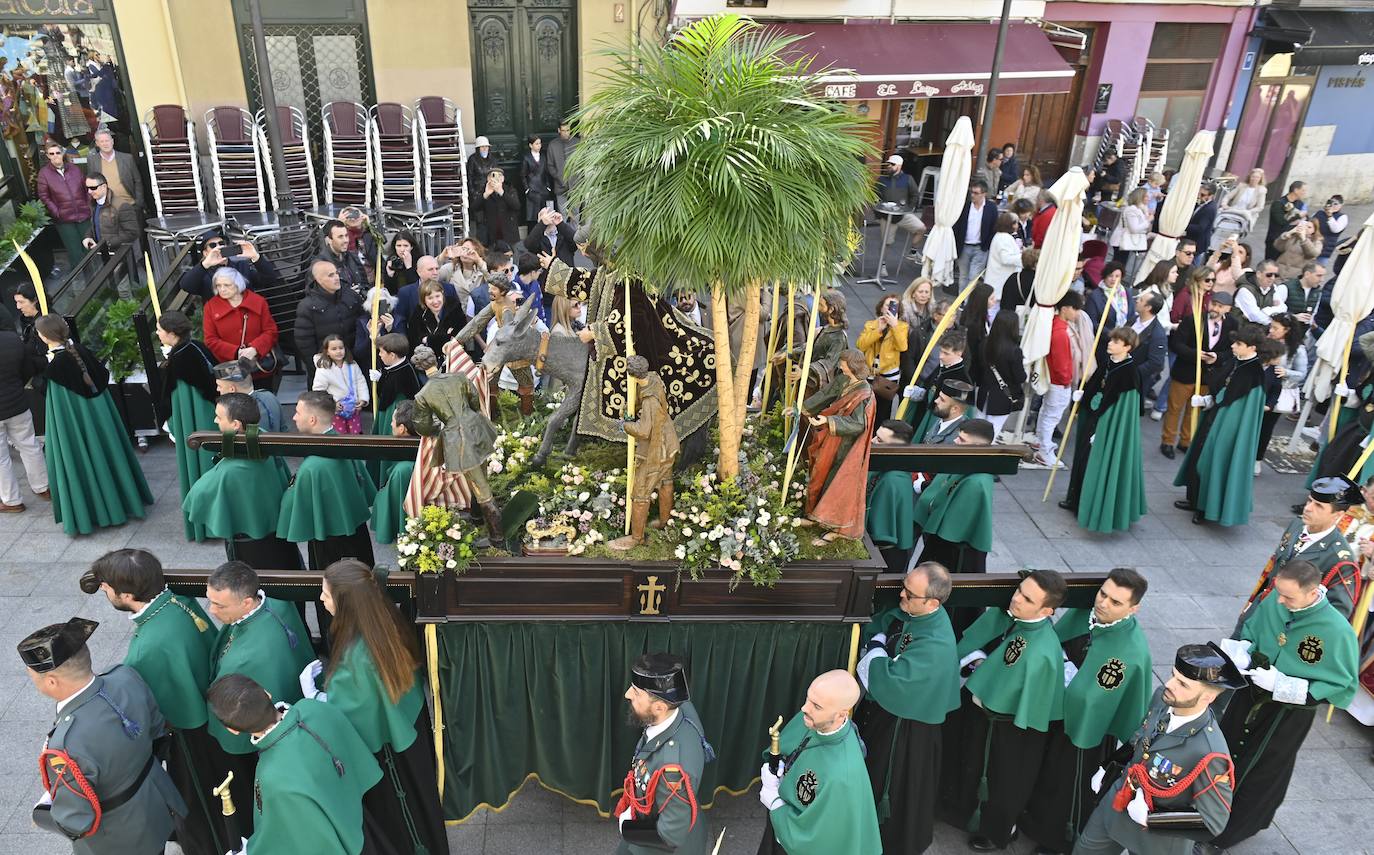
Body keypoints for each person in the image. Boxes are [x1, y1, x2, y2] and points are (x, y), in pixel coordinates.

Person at [299, 560, 449, 855]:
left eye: (326, 595)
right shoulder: (384, 618)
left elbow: (347, 717)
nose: (321, 599)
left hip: (386, 758)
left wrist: (313, 696)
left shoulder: (357, 659)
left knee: (401, 824)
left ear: (346, 603)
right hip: (408, 735)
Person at [82, 549, 225, 855]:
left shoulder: (148, 648)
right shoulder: (178, 601)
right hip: (208, 704)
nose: (104, 591)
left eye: (107, 588)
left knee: (194, 802)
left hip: (186, 736)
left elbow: (149, 706)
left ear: (128, 593)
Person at [1214, 558, 1359, 849]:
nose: (1280, 600)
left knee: (1260, 770)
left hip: (1287, 713)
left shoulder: (1337, 630)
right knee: (1223, 752)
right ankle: (1206, 811)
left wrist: (1283, 685)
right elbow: (1252, 632)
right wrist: (1244, 651)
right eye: (1279, 593)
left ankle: (1228, 833)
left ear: (1312, 592)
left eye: (1288, 596)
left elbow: (1340, 684)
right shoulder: (1277, 602)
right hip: (1251, 693)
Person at [20, 617, 187, 854]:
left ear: (51, 681)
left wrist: (42, 816)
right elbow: (157, 730)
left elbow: (76, 821)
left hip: (116, 840)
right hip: (154, 805)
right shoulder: (125, 676)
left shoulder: (66, 745)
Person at [1022, 570, 1153, 854]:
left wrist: (1068, 678)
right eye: (1103, 594)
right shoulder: (1085, 615)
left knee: (1068, 783)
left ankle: (1057, 838)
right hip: (1054, 710)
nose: (1103, 603)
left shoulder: (1130, 651)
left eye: (1116, 602)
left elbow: (1096, 700)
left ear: (1134, 609)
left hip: (1088, 729)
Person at [1072, 644, 1242, 855]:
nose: (1169, 684)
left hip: (1157, 840)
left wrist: (1152, 819)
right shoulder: (1164, 698)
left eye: (1183, 684)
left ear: (1208, 698)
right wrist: (1109, 765)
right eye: (1173, 675)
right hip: (1117, 806)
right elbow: (1141, 739)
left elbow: (1213, 821)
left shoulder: (1210, 752)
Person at [948, 570, 1067, 851]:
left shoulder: (1042, 651)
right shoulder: (1024, 624)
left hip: (1012, 729)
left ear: (1047, 610)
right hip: (992, 719)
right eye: (1019, 590)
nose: (1015, 599)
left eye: (1027, 598)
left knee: (1005, 782)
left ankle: (1000, 830)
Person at [207, 673, 382, 855]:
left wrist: (250, 851)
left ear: (232, 730)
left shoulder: (271, 776)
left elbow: (289, 838)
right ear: (267, 693)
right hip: (363, 821)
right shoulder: (311, 706)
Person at [855, 562, 959, 854]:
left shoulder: (936, 643)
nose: (901, 596)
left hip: (906, 730)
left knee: (892, 785)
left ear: (932, 602)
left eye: (909, 594)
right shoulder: (917, 613)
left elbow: (893, 682)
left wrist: (876, 648)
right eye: (904, 587)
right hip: (891, 717)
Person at [205, 561, 314, 833]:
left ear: (246, 602)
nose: (212, 611)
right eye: (210, 602)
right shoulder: (278, 603)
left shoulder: (243, 662)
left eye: (220, 606)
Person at [36, 314, 153, 535]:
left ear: (43, 337)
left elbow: (58, 406)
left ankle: (96, 510)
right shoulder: (81, 351)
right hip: (100, 421)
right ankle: (122, 501)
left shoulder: (56, 367)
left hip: (77, 425)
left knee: (82, 459)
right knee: (107, 455)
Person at [278, 392, 377, 638]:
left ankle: (337, 648)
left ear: (312, 419)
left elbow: (296, 509)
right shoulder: (341, 442)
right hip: (356, 534)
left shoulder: (314, 466)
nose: (293, 416)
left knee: (333, 602)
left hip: (328, 543)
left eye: (298, 412)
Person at [757, 670, 880, 855]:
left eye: (817, 706)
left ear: (841, 715)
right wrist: (780, 765)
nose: (805, 708)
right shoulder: (813, 719)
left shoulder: (841, 775)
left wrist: (774, 802)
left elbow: (814, 841)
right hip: (781, 820)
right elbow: (790, 746)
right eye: (808, 698)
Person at [183, 392, 299, 569]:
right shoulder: (264, 438)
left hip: (249, 547)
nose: (215, 421)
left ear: (236, 425)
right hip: (279, 535)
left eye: (219, 417)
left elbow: (195, 498)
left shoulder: (231, 470)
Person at [616, 653, 713, 855]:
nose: (627, 694)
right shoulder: (680, 707)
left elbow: (670, 835)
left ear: (659, 707)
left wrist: (627, 827)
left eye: (636, 692)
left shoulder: (673, 769)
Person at [1174, 322, 1267, 525]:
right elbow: (1223, 388)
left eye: (1239, 343)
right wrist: (1209, 400)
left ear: (1252, 347)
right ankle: (1194, 499)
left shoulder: (1254, 374)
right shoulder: (1236, 361)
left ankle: (1206, 508)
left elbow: (1242, 407)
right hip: (1214, 417)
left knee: (1211, 461)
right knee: (1198, 455)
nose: (1233, 346)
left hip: (1227, 426)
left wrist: (1221, 415)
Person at [1240, 477, 1362, 628]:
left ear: (1337, 516)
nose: (1308, 508)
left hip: (1286, 626)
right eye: (1309, 500)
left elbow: (1337, 614)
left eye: (1319, 506)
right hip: (1259, 610)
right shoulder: (1297, 524)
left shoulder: (1340, 558)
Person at [411, 346, 503, 542]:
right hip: (477, 427)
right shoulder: (459, 377)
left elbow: (423, 425)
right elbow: (474, 400)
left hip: (458, 439)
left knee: (480, 486)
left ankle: (497, 536)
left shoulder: (422, 395)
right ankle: (477, 517)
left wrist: (439, 428)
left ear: (420, 367)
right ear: (435, 360)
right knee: (481, 474)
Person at [1061, 327, 1147, 532]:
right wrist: (1083, 396)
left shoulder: (1130, 373)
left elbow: (1122, 409)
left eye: (1116, 342)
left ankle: (1092, 504)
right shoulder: (1108, 362)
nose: (1110, 343)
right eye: (1111, 340)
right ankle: (1076, 499)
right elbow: (1096, 385)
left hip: (1106, 424)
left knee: (1096, 462)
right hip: (1091, 418)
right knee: (1082, 459)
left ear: (1127, 347)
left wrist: (1103, 429)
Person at [799, 350, 875, 544]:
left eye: (843, 363)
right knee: (818, 473)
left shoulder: (864, 394)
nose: (840, 366)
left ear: (853, 366)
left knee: (837, 483)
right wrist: (803, 409)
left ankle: (836, 526)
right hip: (831, 439)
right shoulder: (843, 380)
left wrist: (829, 420)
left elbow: (858, 425)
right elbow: (826, 394)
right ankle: (813, 515)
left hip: (846, 446)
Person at [156, 310, 219, 540]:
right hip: (209, 415)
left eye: (160, 329)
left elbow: (177, 398)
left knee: (201, 466)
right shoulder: (196, 347)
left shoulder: (180, 359)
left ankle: (207, 525)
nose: (157, 332)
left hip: (195, 420)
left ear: (172, 333)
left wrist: (172, 423)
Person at [911, 417, 995, 581]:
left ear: (978, 447)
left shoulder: (976, 483)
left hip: (954, 551)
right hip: (941, 542)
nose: (955, 441)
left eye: (962, 440)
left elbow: (954, 528)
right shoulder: (967, 460)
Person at [609, 355, 680, 550]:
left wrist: (625, 425)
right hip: (669, 443)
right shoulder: (654, 378)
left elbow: (643, 430)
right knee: (666, 482)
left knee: (640, 491)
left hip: (655, 450)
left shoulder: (650, 401)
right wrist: (632, 408)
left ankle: (636, 538)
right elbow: (642, 399)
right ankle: (666, 522)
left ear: (631, 375)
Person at [1160, 288, 1235, 460]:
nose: (1215, 308)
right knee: (1174, 409)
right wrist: (1195, 354)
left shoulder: (1232, 325)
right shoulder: (1192, 320)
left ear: (1228, 309)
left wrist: (1216, 358)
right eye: (1214, 304)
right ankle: (1168, 441)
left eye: (1220, 306)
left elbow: (1230, 351)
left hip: (1208, 377)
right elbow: (1177, 344)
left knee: (1194, 410)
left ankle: (1186, 441)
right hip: (1185, 372)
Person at [202, 266, 280, 388]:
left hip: (259, 366)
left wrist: (255, 348)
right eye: (218, 285)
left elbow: (270, 331)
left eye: (227, 285)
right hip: (231, 369)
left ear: (238, 284)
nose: (222, 289)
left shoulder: (258, 302)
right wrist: (236, 352)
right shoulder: (211, 307)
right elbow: (210, 340)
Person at [296, 260, 367, 386]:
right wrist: (319, 367)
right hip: (326, 368)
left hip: (354, 364)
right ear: (318, 279)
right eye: (330, 275)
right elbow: (305, 343)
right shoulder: (307, 306)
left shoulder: (350, 295)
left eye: (336, 273)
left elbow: (363, 325)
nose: (336, 278)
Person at [0, 325, 47, 511]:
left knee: (1, 459)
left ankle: (11, 501)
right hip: (17, 403)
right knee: (30, 446)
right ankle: (43, 487)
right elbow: (27, 368)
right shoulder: (12, 339)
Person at [1032, 291, 1082, 468]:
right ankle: (1044, 450)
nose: (1077, 313)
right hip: (1059, 382)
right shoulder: (1061, 332)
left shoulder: (1055, 325)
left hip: (1053, 379)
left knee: (1047, 412)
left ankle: (1040, 442)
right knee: (1052, 416)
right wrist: (1067, 380)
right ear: (1066, 308)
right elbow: (1062, 365)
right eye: (1075, 309)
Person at [866, 419, 918, 573]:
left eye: (880, 440)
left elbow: (880, 530)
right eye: (875, 436)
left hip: (885, 555)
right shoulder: (889, 464)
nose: (872, 441)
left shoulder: (893, 480)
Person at [1257, 314, 1307, 467]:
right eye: (1271, 326)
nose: (1271, 330)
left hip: (1278, 392)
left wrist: (1286, 372)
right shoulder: (1264, 340)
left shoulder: (1297, 349)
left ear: (1287, 330)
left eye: (1276, 328)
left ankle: (1257, 459)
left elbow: (1302, 374)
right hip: (1257, 386)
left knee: (1266, 427)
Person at [902, 328, 970, 439]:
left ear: (959, 353)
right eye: (941, 351)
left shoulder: (961, 380)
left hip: (935, 422)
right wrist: (919, 393)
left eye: (946, 353)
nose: (940, 356)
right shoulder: (943, 366)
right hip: (925, 415)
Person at [175, 230, 277, 299]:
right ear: (205, 253)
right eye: (212, 245)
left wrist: (256, 257)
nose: (218, 247)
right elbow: (186, 286)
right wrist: (205, 264)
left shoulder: (241, 265)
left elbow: (269, 279)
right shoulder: (203, 274)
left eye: (221, 243)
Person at [36, 141, 90, 266]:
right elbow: (44, 196)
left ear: (62, 153)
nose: (55, 156)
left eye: (57, 152)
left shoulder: (74, 168)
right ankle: (81, 280)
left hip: (83, 214)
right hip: (64, 219)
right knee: (74, 251)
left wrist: (87, 205)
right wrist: (57, 212)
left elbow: (86, 187)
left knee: (88, 248)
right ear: (48, 156)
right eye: (51, 153)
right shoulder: (44, 174)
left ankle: (96, 277)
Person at [372, 400, 418, 544]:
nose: (391, 424)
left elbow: (392, 501)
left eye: (393, 421)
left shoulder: (402, 470)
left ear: (402, 428)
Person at [856, 294, 909, 417]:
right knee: (866, 407)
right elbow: (861, 345)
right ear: (881, 308)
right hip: (870, 371)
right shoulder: (871, 324)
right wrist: (878, 330)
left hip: (888, 375)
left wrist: (894, 326)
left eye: (894, 306)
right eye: (887, 305)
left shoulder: (902, 327)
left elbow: (902, 347)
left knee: (883, 410)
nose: (890, 309)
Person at [979, 311, 1025, 438]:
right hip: (1003, 397)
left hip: (984, 393)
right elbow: (1020, 377)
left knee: (977, 429)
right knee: (992, 432)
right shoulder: (1015, 351)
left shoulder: (984, 343)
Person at [312, 334, 369, 434]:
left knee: (355, 434)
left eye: (341, 348)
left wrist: (362, 399)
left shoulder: (352, 365)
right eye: (334, 349)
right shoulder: (323, 369)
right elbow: (319, 391)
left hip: (353, 409)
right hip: (336, 411)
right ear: (327, 352)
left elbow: (360, 382)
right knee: (339, 435)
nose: (338, 351)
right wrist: (332, 404)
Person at [875, 154, 926, 264]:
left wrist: (910, 208)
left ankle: (912, 253)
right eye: (888, 164)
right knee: (886, 242)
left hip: (903, 214)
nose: (889, 166)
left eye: (892, 164)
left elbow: (915, 194)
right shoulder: (882, 179)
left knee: (921, 228)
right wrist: (878, 213)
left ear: (899, 166)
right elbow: (874, 196)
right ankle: (882, 266)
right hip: (886, 215)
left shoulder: (907, 179)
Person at [81, 172, 139, 261]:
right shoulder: (94, 204)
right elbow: (96, 224)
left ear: (104, 187)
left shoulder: (122, 205)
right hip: (103, 254)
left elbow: (132, 233)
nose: (89, 191)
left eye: (93, 188)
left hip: (120, 256)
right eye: (87, 188)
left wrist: (106, 244)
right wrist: (88, 237)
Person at [405, 278, 468, 358]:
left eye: (437, 296)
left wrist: (428, 340)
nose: (435, 301)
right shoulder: (419, 312)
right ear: (424, 300)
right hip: (428, 359)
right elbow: (414, 339)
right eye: (430, 298)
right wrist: (444, 337)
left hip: (454, 356)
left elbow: (459, 336)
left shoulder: (454, 307)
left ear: (442, 294)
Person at [84, 127, 144, 211]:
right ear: (97, 143)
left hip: (130, 205)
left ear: (112, 141)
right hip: (107, 208)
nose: (105, 144)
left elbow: (137, 181)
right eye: (102, 141)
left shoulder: (127, 158)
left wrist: (139, 202)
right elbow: (92, 184)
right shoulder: (93, 161)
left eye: (107, 140)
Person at [954, 180, 998, 290]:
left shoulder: (991, 208)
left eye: (976, 193)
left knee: (973, 276)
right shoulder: (965, 206)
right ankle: (961, 302)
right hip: (964, 246)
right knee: (963, 276)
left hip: (980, 247)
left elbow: (994, 227)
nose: (972, 195)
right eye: (972, 192)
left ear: (984, 194)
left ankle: (968, 302)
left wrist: (986, 246)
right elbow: (957, 226)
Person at [1132, 291, 1168, 408]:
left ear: (1148, 307)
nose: (1137, 300)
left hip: (1134, 383)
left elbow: (1155, 363)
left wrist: (1131, 373)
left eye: (1141, 300)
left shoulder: (1158, 334)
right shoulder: (1133, 320)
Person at [316, 218, 369, 297]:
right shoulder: (319, 265)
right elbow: (318, 298)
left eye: (346, 236)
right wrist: (345, 295)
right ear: (328, 240)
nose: (346, 240)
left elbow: (365, 283)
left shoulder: (352, 256)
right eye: (340, 237)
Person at [474, 166, 521, 247]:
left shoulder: (510, 189)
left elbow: (516, 206)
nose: (496, 178)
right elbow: (474, 208)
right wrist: (485, 195)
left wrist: (501, 192)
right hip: (491, 235)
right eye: (493, 176)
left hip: (509, 234)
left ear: (503, 179)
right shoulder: (484, 190)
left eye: (499, 176)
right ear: (488, 179)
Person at [920, 378, 976, 445]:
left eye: (942, 399)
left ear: (955, 409)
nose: (936, 401)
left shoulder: (961, 438)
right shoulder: (942, 420)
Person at [1112, 187, 1151, 281]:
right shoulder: (1131, 210)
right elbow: (1134, 228)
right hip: (1121, 240)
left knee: (1121, 263)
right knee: (1118, 263)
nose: (1148, 198)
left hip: (1127, 240)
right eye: (1146, 196)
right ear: (1140, 197)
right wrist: (1148, 220)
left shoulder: (1141, 209)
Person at [1265, 180, 1308, 260]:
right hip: (1275, 240)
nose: (1305, 193)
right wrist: (1297, 216)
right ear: (1295, 190)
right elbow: (1281, 221)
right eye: (1303, 190)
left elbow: (1306, 219)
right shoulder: (1278, 204)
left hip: (1290, 241)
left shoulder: (1300, 204)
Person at [985, 212, 1022, 302]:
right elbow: (1006, 259)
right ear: (1010, 224)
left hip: (999, 280)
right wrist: (1024, 257)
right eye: (1016, 223)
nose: (1017, 226)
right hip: (1000, 281)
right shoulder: (1004, 238)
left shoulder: (1001, 236)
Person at [1220, 167, 1268, 232]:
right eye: (1253, 176)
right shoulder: (1241, 186)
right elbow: (1228, 196)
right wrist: (1224, 204)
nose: (1254, 179)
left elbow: (1260, 207)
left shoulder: (1261, 190)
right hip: (1234, 210)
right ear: (1250, 177)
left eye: (1257, 177)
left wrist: (1249, 212)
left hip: (1246, 213)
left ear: (1260, 179)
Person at [520, 134, 552, 228]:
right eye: (536, 144)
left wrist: (548, 186)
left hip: (543, 189)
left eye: (540, 143)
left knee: (544, 214)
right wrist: (527, 189)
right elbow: (523, 175)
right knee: (532, 216)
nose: (539, 146)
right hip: (532, 190)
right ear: (531, 145)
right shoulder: (526, 157)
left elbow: (547, 172)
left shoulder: (543, 156)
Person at [546, 119, 578, 212]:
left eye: (568, 130)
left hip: (575, 184)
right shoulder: (553, 145)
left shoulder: (577, 143)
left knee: (575, 212)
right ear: (559, 130)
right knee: (562, 213)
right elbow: (550, 165)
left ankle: (574, 227)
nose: (566, 133)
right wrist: (559, 177)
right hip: (560, 185)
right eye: (563, 130)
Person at [1184, 182, 1219, 256]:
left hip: (1198, 244)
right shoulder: (1204, 204)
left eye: (1202, 195)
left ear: (1211, 196)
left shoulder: (1210, 208)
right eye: (1199, 194)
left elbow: (1200, 228)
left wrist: (1183, 225)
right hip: (1194, 241)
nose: (1199, 196)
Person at [1312, 195, 1348, 267]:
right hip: (1312, 245)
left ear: (1341, 205)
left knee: (1318, 270)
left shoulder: (1342, 217)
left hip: (1325, 249)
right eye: (1331, 202)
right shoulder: (1319, 213)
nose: (1333, 205)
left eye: (1336, 204)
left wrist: (1330, 216)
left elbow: (1336, 229)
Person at [382, 229, 420, 294]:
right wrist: (390, 275)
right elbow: (389, 291)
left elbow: (417, 288)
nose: (402, 249)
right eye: (399, 246)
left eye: (406, 246)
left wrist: (409, 267)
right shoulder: (391, 260)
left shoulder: (419, 260)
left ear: (411, 247)